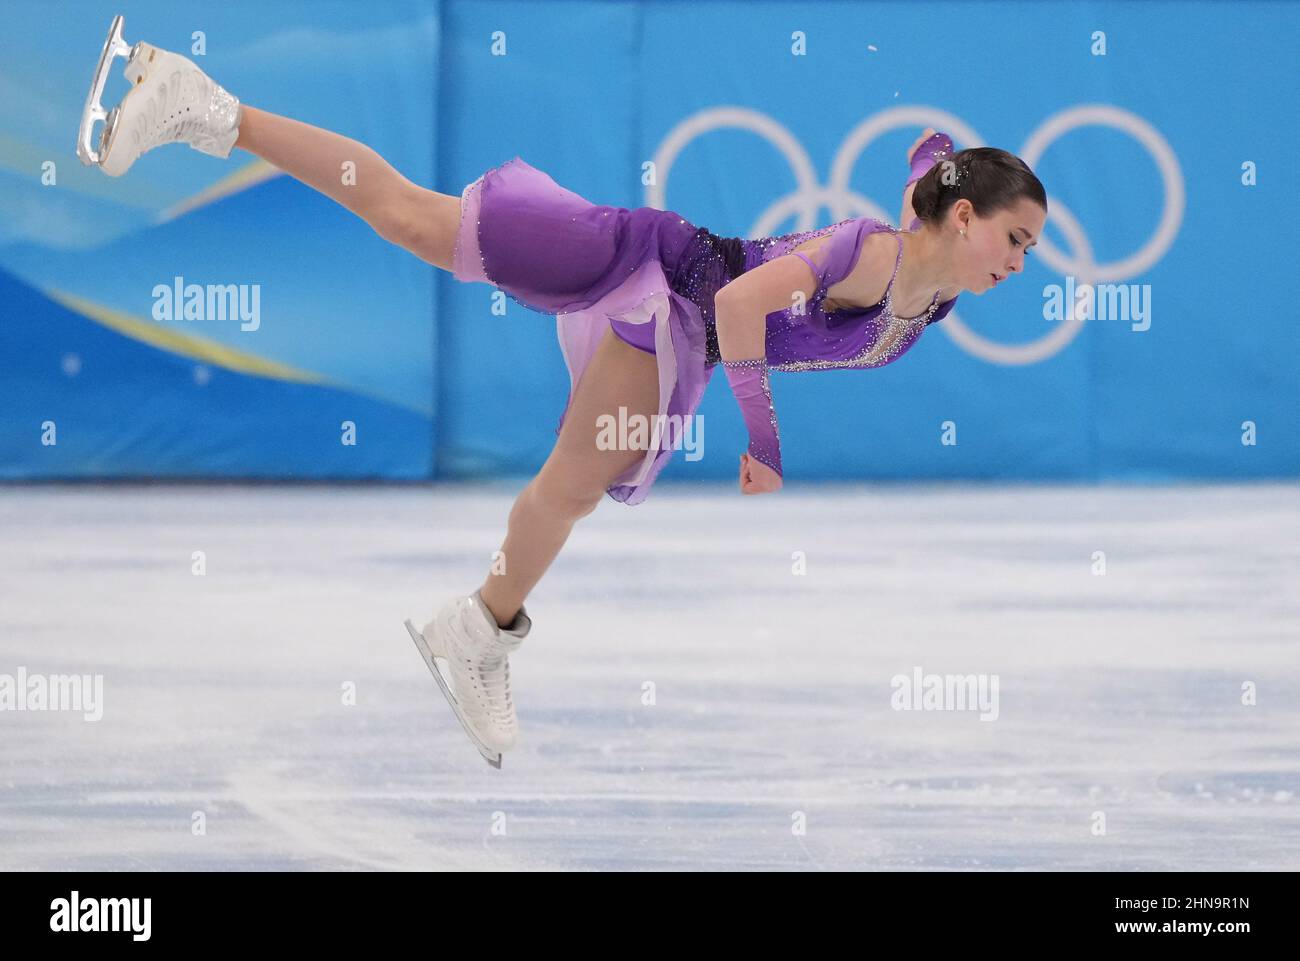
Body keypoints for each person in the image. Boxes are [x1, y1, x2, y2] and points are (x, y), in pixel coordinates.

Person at [86, 35, 1047, 761]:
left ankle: (476, 628)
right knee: (426, 236)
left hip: (682, 325)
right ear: (965, 217)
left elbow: (922, 175)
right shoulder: (874, 254)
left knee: (570, 465)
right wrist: (764, 440)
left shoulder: (935, 302)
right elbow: (747, 300)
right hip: (664, 278)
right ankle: (204, 108)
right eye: (1017, 240)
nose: (1021, 262)